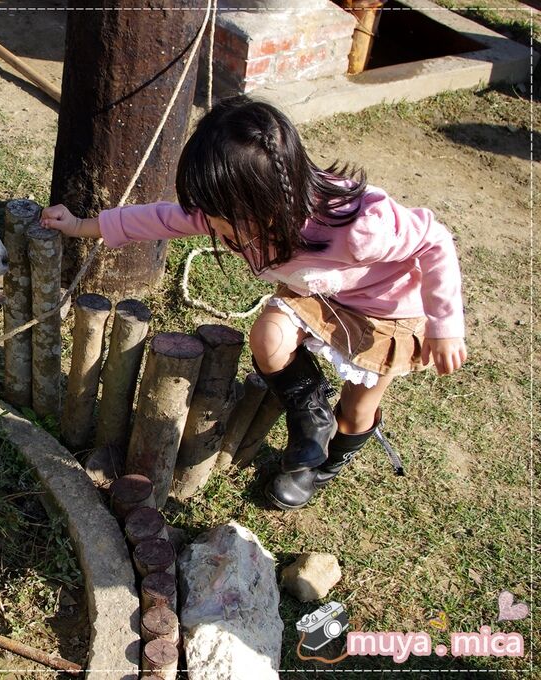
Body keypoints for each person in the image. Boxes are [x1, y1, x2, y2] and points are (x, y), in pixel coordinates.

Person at [41, 95, 467, 510]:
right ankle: (310, 426)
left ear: (267, 204)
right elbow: (158, 218)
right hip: (322, 296)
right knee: (269, 336)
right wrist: (81, 225)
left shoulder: (361, 227)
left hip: (385, 312)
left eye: (219, 214)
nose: (208, 223)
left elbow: (435, 241)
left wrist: (445, 325)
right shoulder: (225, 211)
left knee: (358, 409)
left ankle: (328, 461)